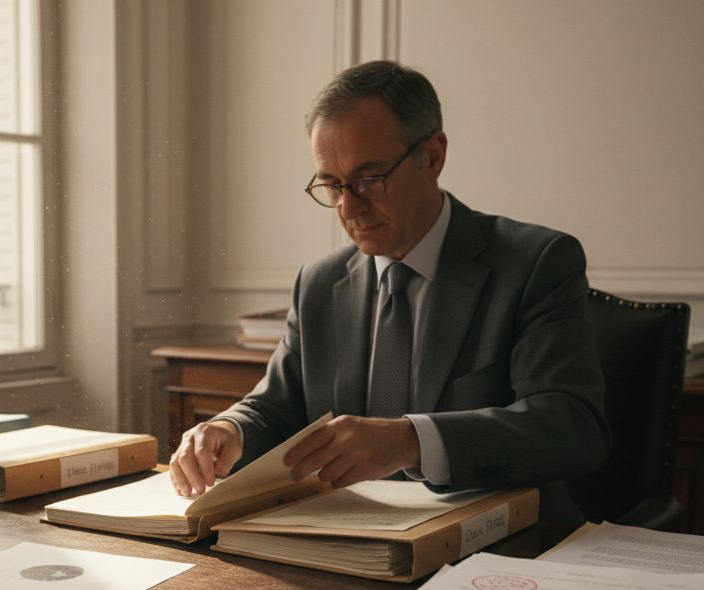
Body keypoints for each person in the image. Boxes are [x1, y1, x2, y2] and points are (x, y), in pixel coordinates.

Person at [168, 60, 609, 523]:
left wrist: (410, 441)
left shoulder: (535, 263)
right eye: (333, 186)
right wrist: (228, 427)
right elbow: (278, 407)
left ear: (433, 156)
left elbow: (571, 427)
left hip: (492, 550)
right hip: (347, 546)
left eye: (368, 180)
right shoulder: (318, 284)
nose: (349, 207)